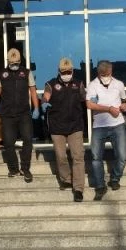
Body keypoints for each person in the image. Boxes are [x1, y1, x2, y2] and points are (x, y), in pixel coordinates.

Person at [42, 57, 87, 202]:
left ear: (72, 70)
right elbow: (45, 97)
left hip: (75, 125)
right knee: (61, 156)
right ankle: (66, 178)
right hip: (57, 126)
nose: (66, 74)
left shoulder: (78, 84)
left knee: (78, 157)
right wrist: (44, 102)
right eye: (64, 72)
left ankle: (78, 188)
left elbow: (85, 99)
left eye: (68, 71)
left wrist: (94, 100)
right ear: (59, 71)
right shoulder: (51, 84)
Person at [85, 60, 126, 201]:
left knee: (122, 156)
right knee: (96, 157)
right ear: (98, 73)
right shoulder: (92, 85)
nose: (105, 76)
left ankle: (115, 178)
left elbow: (125, 100)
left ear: (111, 71)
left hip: (118, 125)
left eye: (107, 73)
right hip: (99, 126)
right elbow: (90, 104)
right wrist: (108, 109)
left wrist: (124, 106)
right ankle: (100, 186)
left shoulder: (119, 84)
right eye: (103, 74)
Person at [0, 48, 39, 183]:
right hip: (7, 114)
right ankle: (13, 169)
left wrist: (36, 108)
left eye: (16, 63)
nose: (14, 65)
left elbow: (33, 91)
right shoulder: (1, 74)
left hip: (24, 113)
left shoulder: (26, 73)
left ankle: (25, 169)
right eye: (12, 63)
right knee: (8, 142)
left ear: (20, 61)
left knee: (28, 140)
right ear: (8, 61)